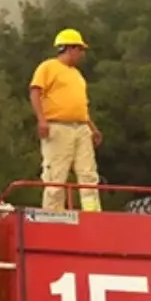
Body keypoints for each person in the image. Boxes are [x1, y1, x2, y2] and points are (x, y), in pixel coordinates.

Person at [29, 28, 103, 212]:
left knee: (88, 175)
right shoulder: (48, 67)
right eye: (80, 49)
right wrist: (42, 120)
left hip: (80, 127)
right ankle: (53, 217)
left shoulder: (77, 75)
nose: (82, 54)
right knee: (56, 176)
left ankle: (92, 214)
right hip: (58, 127)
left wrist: (92, 128)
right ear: (70, 48)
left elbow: (81, 107)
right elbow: (35, 92)